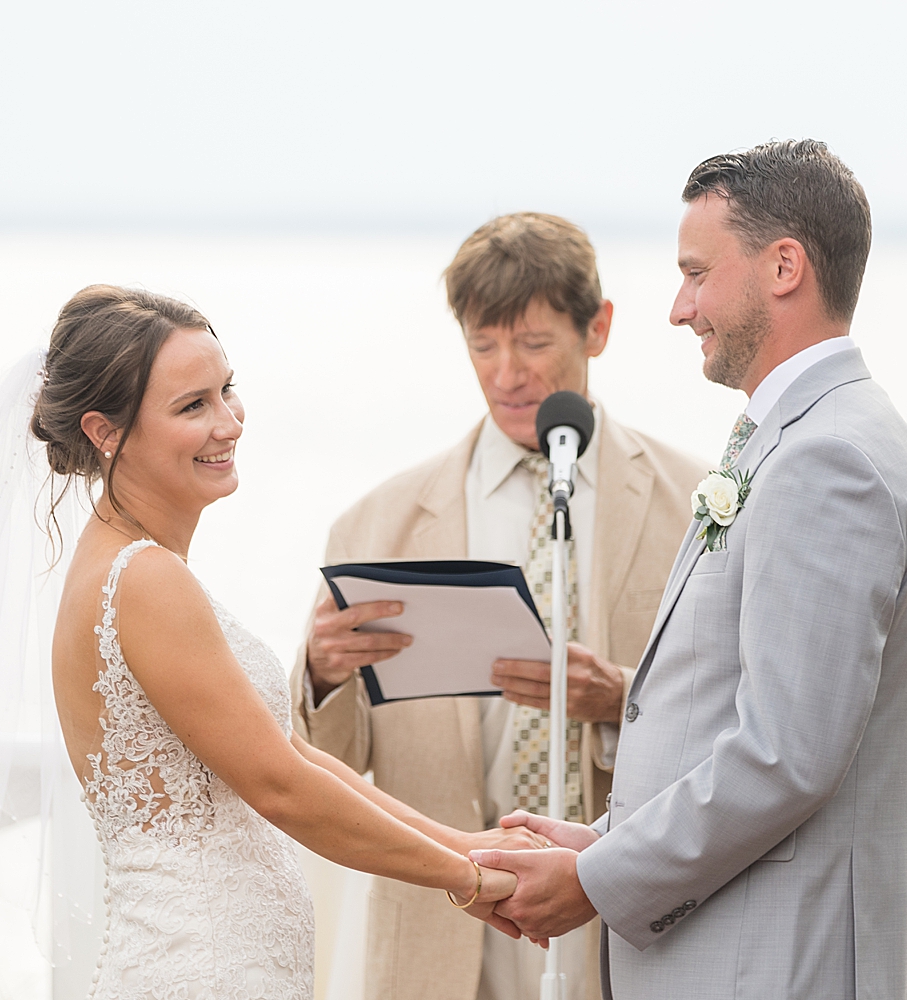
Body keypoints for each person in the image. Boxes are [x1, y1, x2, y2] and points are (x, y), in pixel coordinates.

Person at [474, 141, 907, 999]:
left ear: (783, 267)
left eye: (696, 273)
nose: (679, 307)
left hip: (768, 964)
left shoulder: (827, 460)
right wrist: (609, 843)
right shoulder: (806, 435)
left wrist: (595, 882)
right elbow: (724, 715)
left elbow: (785, 756)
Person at [34, 286, 540, 998]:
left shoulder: (135, 565)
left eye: (226, 391)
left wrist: (469, 843)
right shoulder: (143, 579)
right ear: (104, 431)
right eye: (192, 407)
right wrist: (470, 878)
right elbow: (280, 786)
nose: (228, 424)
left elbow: (290, 753)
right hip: (202, 967)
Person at [290, 213, 709, 1000]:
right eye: (484, 346)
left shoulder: (695, 504)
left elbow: (737, 718)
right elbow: (329, 769)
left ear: (599, 329)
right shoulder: (378, 524)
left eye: (534, 343)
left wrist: (620, 698)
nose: (507, 373)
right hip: (438, 942)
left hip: (628, 937)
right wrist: (319, 676)